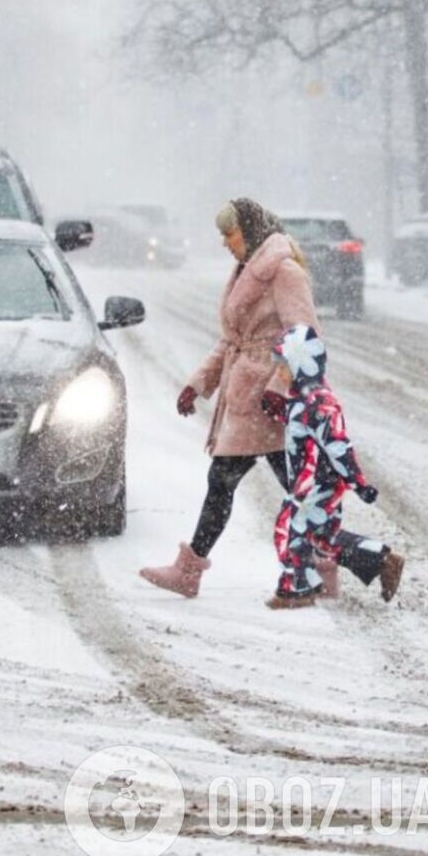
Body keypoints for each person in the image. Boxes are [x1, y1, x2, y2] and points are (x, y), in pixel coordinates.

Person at [139, 198, 336, 597]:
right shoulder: (247, 269)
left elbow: (305, 337)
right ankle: (354, 562)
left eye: (229, 233)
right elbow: (232, 341)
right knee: (294, 490)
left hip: (268, 401)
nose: (225, 243)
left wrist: (280, 389)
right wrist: (199, 384)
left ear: (248, 230)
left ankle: (189, 572)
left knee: (225, 482)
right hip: (250, 397)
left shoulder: (283, 272)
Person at [264, 325, 405, 608]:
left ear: (302, 364)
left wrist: (359, 483)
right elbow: (303, 429)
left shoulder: (319, 402)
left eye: (283, 365)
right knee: (320, 538)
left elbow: (338, 445)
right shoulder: (303, 398)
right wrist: (281, 411)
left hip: (318, 482)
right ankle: (381, 560)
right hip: (315, 481)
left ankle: (297, 589)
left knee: (288, 528)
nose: (278, 373)